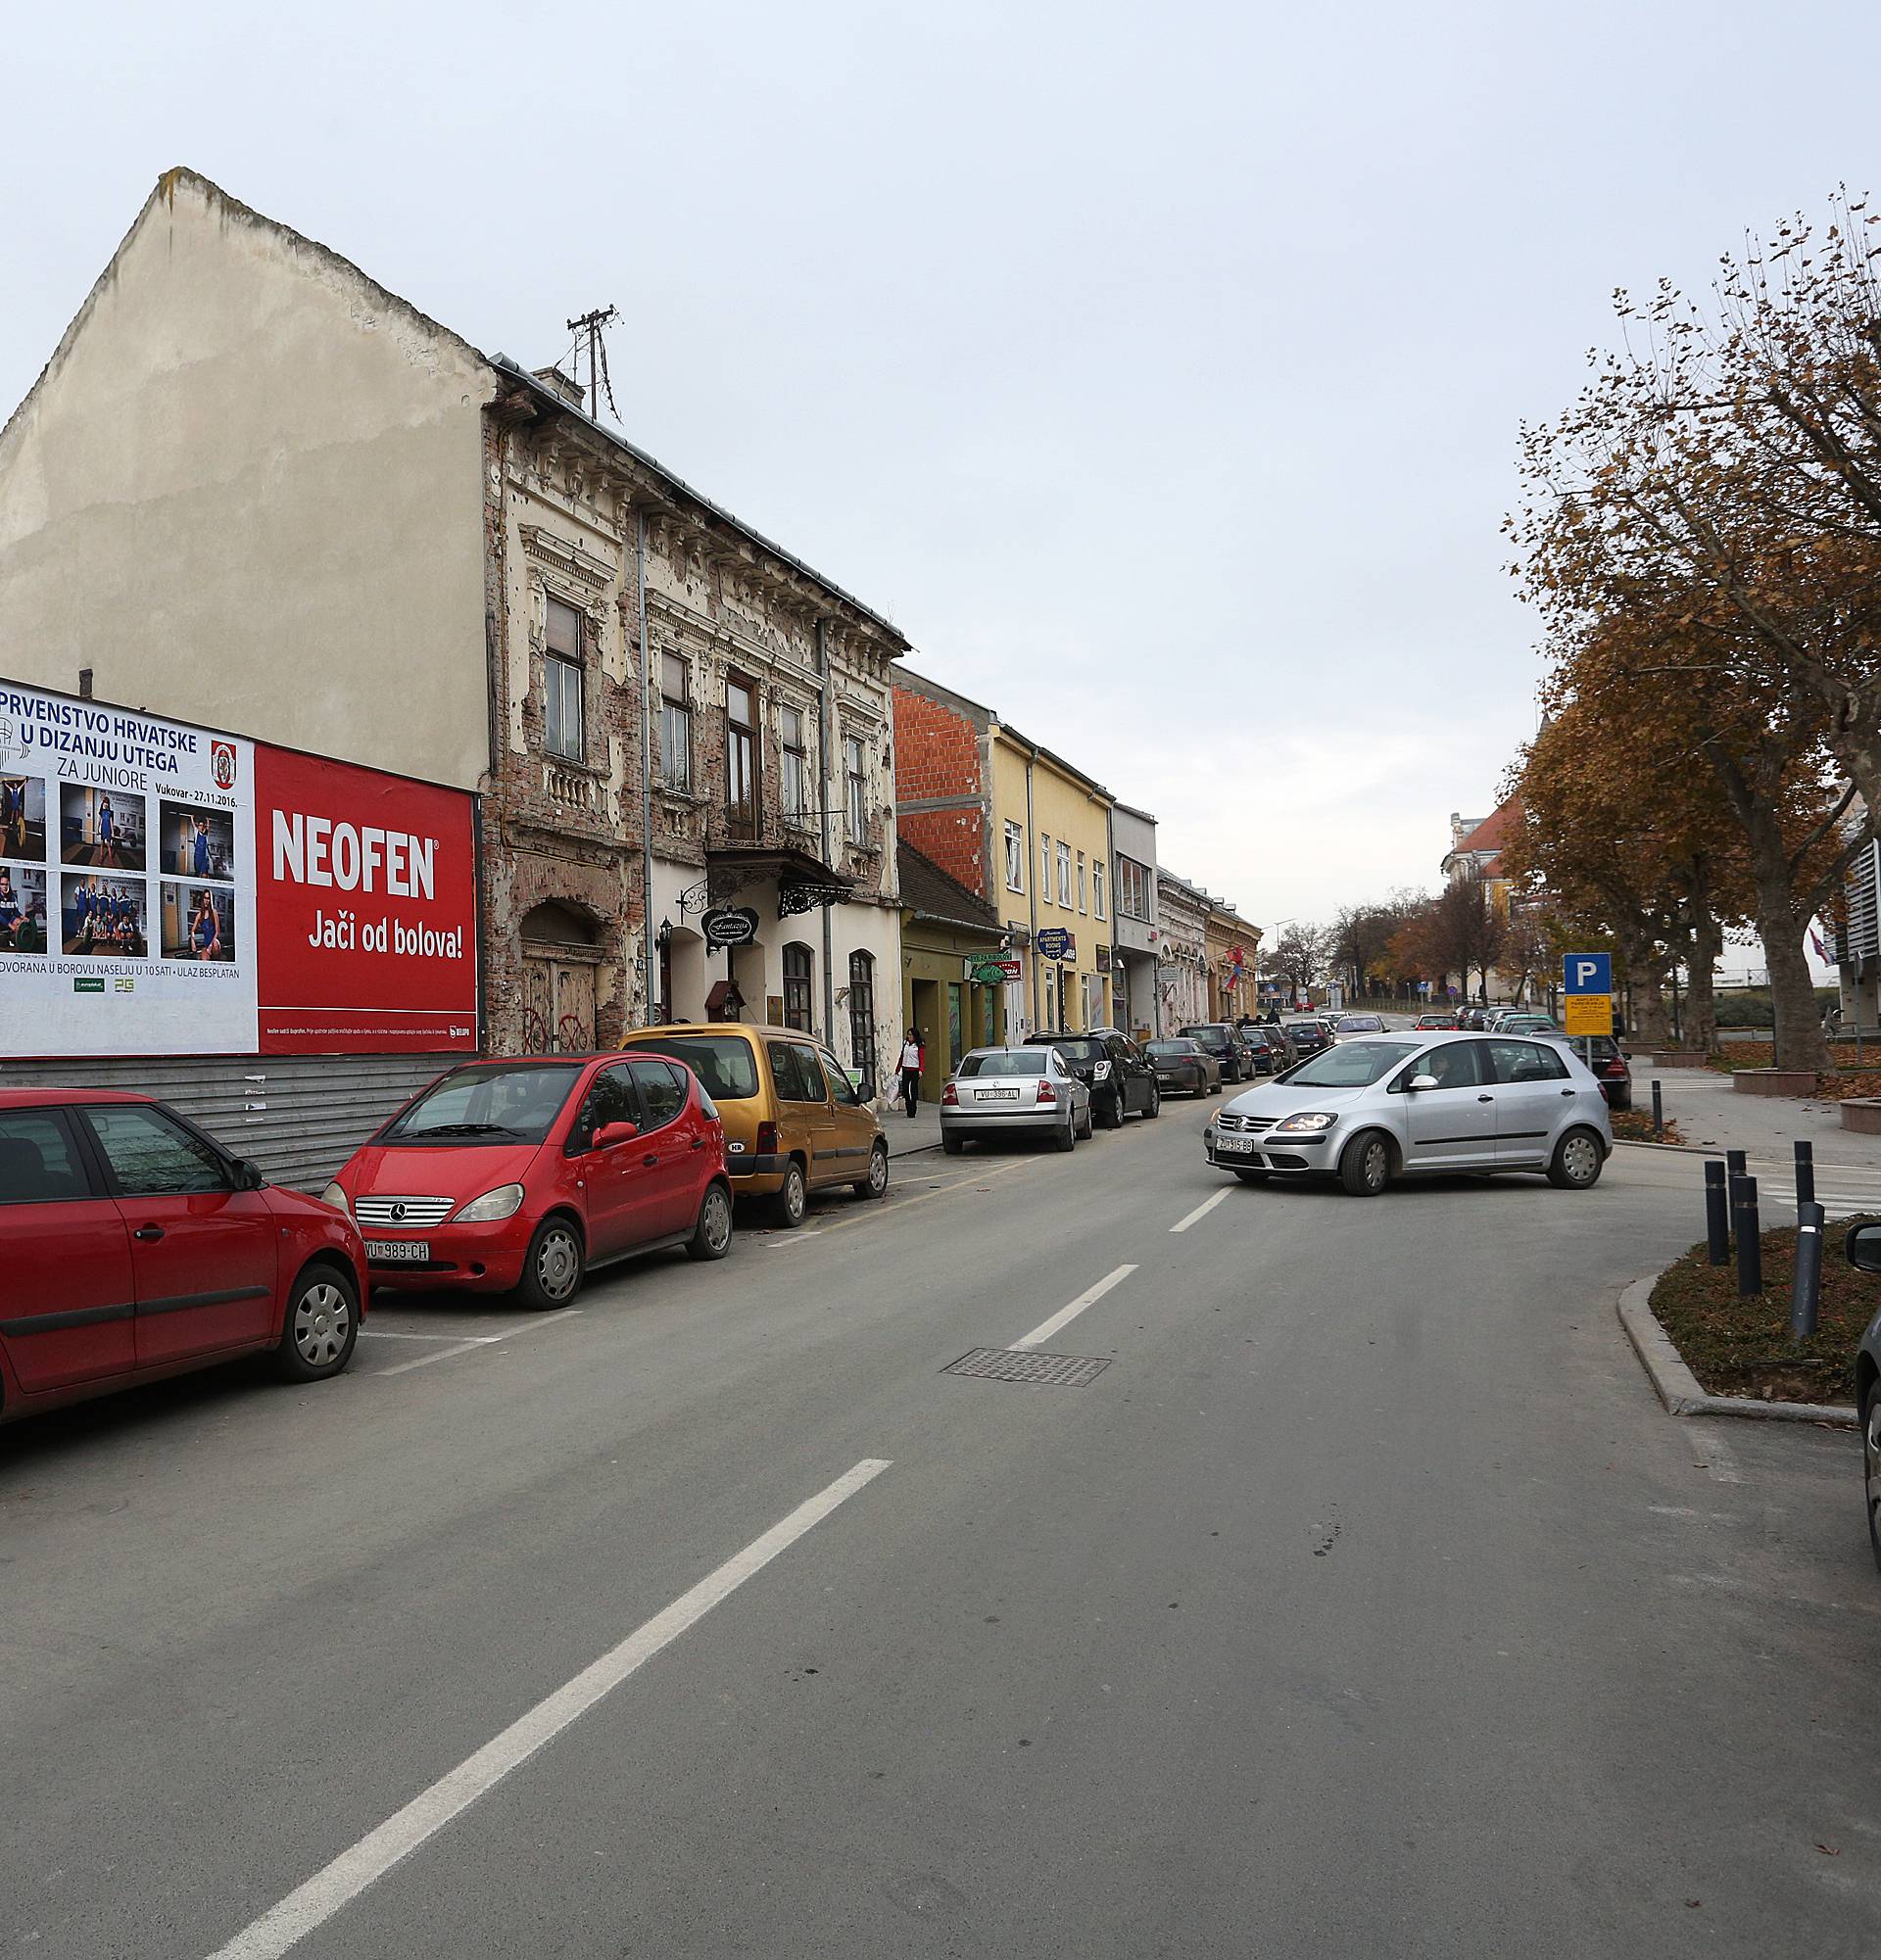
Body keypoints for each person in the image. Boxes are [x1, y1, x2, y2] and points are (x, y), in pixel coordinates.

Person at [897, 1028, 925, 1117]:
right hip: (906, 1069)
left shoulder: (919, 1046)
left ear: (915, 1036)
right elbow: (902, 1056)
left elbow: (921, 1058)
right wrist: (898, 1068)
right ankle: (908, 1106)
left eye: (911, 1035)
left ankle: (913, 1109)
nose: (909, 1036)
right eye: (908, 1035)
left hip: (914, 1069)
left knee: (913, 1090)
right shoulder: (905, 1044)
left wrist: (921, 1070)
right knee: (905, 1090)